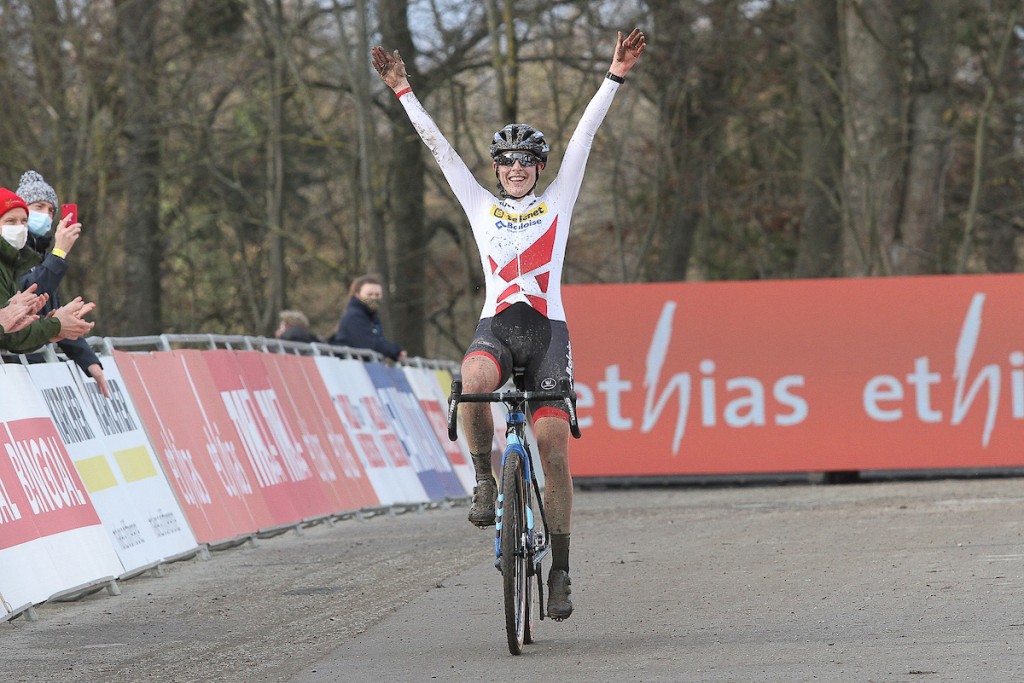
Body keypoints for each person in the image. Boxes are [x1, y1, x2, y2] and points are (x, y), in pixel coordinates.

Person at [371, 28, 646, 621]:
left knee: (551, 448)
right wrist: (403, 92)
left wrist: (614, 75)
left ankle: (563, 571)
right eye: (506, 160)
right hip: (497, 326)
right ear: (496, 169)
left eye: (526, 161)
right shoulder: (477, 203)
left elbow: (586, 136)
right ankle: (483, 479)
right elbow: (440, 149)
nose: (516, 168)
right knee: (470, 377)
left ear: (540, 167)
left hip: (547, 333)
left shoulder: (558, 201)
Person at [16, 170, 110, 397]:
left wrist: (88, 361)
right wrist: (58, 254)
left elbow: (54, 313)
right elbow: (30, 294)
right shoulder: (14, 251)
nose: (46, 216)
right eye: (39, 207)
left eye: (51, 210)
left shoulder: (40, 254)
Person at [0, 188, 95, 351]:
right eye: (11, 221)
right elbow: (8, 334)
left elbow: (11, 337)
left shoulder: (17, 260)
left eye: (23, 221)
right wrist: (55, 325)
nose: (20, 227)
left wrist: (52, 328)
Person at [328, 275, 407, 361]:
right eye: (369, 294)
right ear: (357, 295)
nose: (373, 298)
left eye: (377, 295)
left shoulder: (371, 316)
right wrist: (395, 351)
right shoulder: (354, 316)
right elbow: (369, 345)